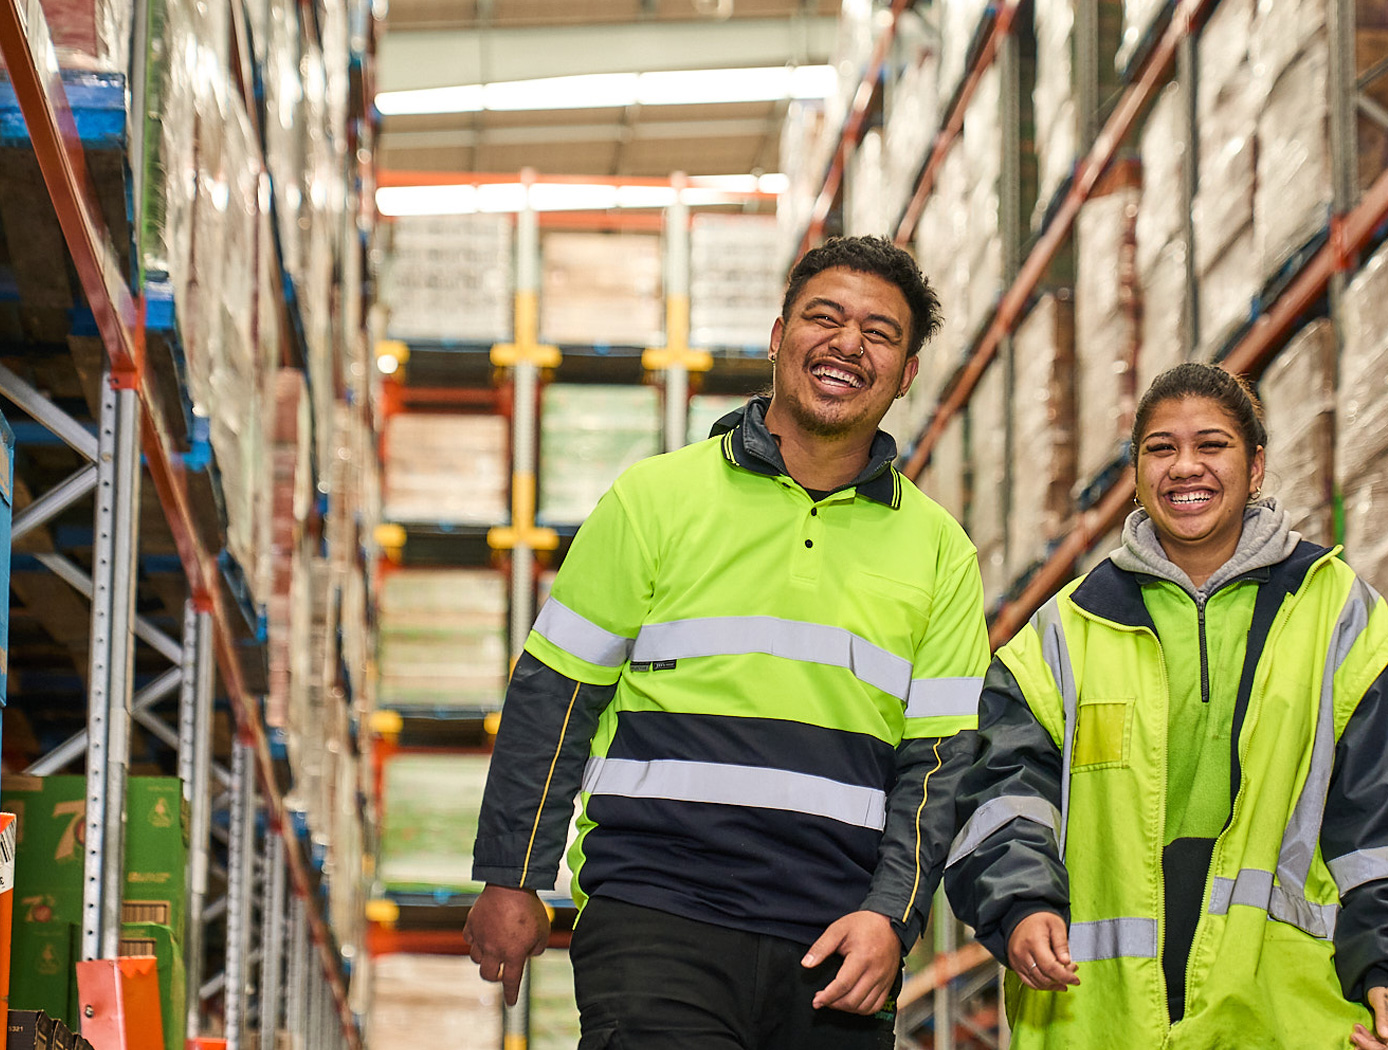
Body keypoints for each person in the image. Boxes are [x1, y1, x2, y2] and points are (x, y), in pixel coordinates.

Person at [462, 235, 991, 1049]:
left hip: (837, 941)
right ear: (779, 337)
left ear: (907, 373)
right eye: (826, 317)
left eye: (880, 333)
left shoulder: (939, 550)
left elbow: (941, 766)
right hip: (659, 914)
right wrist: (514, 877)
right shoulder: (657, 499)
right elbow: (556, 694)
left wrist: (892, 917)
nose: (849, 344)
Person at [945, 362, 1388, 1049]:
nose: (1186, 467)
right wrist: (1020, 903)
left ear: (1257, 465)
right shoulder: (1064, 633)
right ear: (1136, 469)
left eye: (1212, 446)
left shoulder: (1339, 614)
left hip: (1288, 1018)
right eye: (1160, 448)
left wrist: (1383, 962)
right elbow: (1002, 791)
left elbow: (1377, 812)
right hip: (1100, 1019)